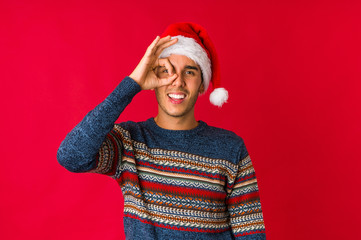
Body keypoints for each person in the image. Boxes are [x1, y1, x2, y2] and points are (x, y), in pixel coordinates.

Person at [57, 22, 266, 240]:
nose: (177, 81)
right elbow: (71, 156)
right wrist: (133, 84)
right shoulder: (129, 141)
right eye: (166, 71)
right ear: (153, 79)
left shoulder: (230, 148)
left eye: (190, 71)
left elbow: (251, 234)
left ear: (202, 84)